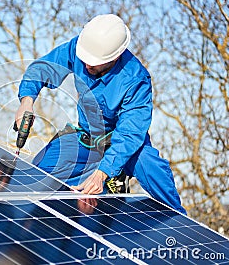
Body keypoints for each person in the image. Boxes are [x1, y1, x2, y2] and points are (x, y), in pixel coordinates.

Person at [15, 14, 186, 214]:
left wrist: (103, 172)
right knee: (36, 175)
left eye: (94, 63)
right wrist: (27, 100)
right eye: (85, 60)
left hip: (122, 145)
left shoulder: (135, 79)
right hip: (85, 140)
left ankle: (181, 221)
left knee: (151, 168)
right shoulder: (80, 47)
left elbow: (130, 133)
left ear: (115, 57)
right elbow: (42, 69)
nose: (87, 66)